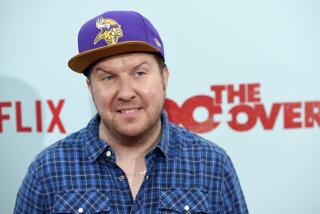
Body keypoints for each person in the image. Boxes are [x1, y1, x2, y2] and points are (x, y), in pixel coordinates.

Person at [14, 10, 248, 213]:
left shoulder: (211, 164)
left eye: (139, 73)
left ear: (164, 77)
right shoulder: (49, 170)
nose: (125, 93)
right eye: (108, 77)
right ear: (90, 88)